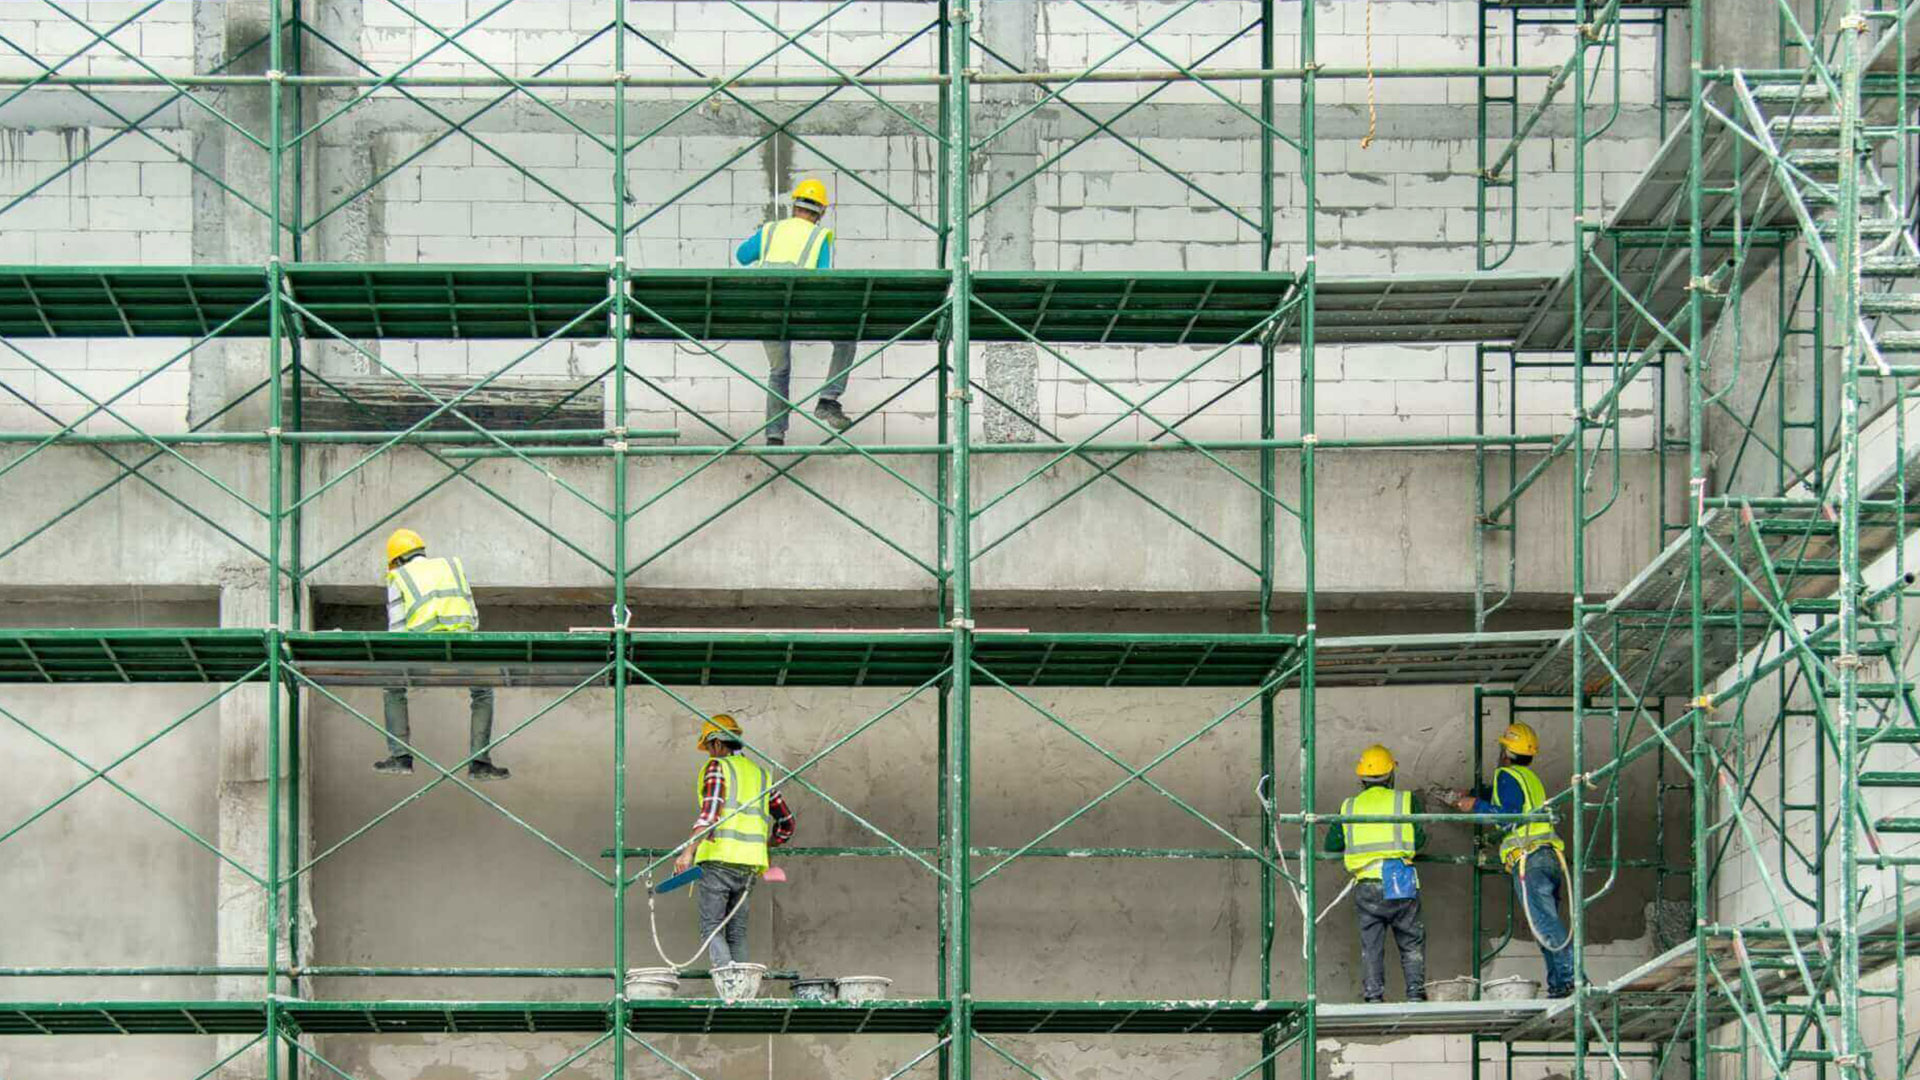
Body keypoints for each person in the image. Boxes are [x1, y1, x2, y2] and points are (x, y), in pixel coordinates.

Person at [375, 528, 509, 782]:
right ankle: (480, 762)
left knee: (393, 688)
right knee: (483, 691)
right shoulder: (452, 566)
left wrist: (398, 664)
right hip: (462, 644)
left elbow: (397, 630)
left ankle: (400, 757)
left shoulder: (399, 576)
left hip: (421, 647)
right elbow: (472, 612)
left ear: (397, 560)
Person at [1450, 721, 1573, 998]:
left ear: (1505, 752)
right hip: (1548, 857)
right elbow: (1512, 802)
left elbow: (1508, 818)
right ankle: (1560, 985)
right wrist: (1474, 794)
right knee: (1545, 924)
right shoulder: (1528, 778)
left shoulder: (1506, 775)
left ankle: (1572, 979)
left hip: (1531, 859)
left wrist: (1476, 806)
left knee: (1546, 925)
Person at [735, 178, 855, 446]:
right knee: (846, 339)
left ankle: (774, 435)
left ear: (794, 207)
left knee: (779, 370)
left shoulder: (770, 230)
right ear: (821, 211)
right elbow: (822, 278)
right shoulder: (819, 236)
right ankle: (828, 399)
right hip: (803, 309)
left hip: (769, 313)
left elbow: (742, 256)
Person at [672, 713, 796, 968]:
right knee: (736, 932)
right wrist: (765, 846)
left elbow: (710, 813)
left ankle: (729, 987)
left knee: (712, 928)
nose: (708, 753)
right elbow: (787, 824)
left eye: (708, 747)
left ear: (717, 744)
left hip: (719, 860)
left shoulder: (718, 767)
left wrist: (688, 852)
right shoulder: (762, 775)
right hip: (750, 866)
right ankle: (741, 992)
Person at [1324, 744, 1428, 1003]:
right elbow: (1420, 839)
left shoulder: (1349, 807)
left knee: (1371, 944)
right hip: (1399, 878)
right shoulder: (1405, 800)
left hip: (1368, 883)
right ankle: (1415, 993)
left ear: (1362, 778)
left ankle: (1373, 996)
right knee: (1411, 939)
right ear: (1391, 774)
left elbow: (1331, 845)